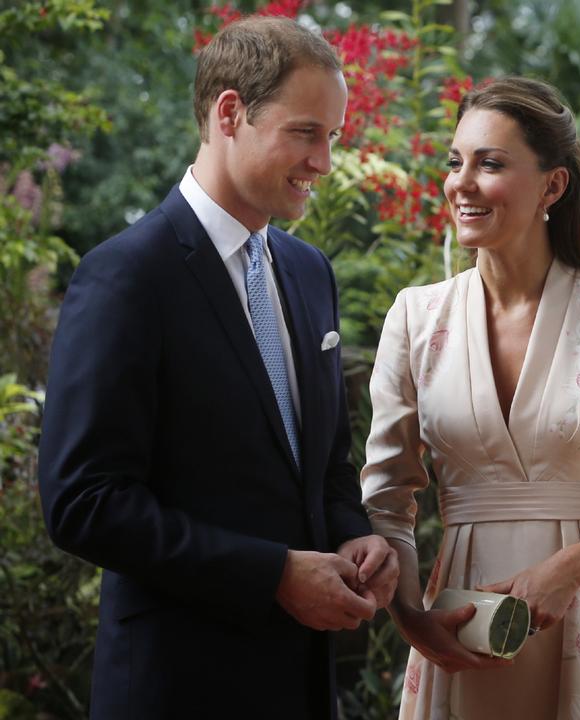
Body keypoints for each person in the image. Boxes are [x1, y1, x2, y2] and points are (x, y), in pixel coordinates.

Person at [37, 17, 398, 719]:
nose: (325, 161)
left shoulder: (308, 272)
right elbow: (84, 502)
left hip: (303, 685)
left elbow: (320, 463)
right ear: (229, 113)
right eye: (306, 132)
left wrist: (353, 531)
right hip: (178, 686)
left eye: (334, 137)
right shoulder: (125, 277)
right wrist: (272, 574)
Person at [361, 76, 580, 720]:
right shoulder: (414, 318)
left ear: (553, 186)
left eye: (490, 163)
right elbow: (387, 500)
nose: (461, 182)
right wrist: (412, 618)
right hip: (459, 638)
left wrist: (570, 569)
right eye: (454, 161)